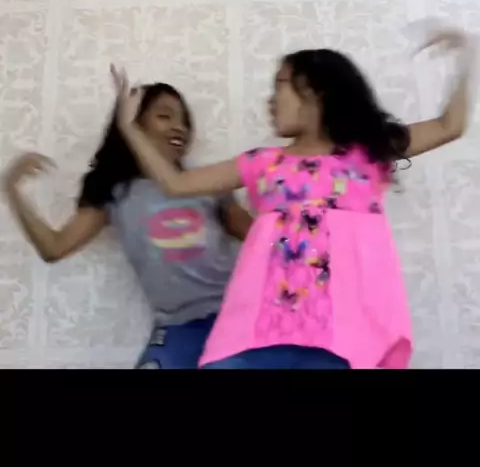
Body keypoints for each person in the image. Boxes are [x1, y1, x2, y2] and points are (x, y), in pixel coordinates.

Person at [108, 27, 476, 370]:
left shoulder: (366, 154)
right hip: (258, 336)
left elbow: (449, 126)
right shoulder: (263, 163)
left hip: (338, 339)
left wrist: (468, 58)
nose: (270, 101)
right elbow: (175, 183)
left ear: (314, 92)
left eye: (280, 85)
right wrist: (128, 128)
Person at [2, 82, 252, 369]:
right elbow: (53, 248)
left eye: (184, 121)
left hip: (235, 316)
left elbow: (261, 236)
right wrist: (11, 189)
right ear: (133, 125)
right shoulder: (117, 191)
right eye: (165, 116)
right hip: (177, 327)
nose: (179, 127)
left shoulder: (206, 180)